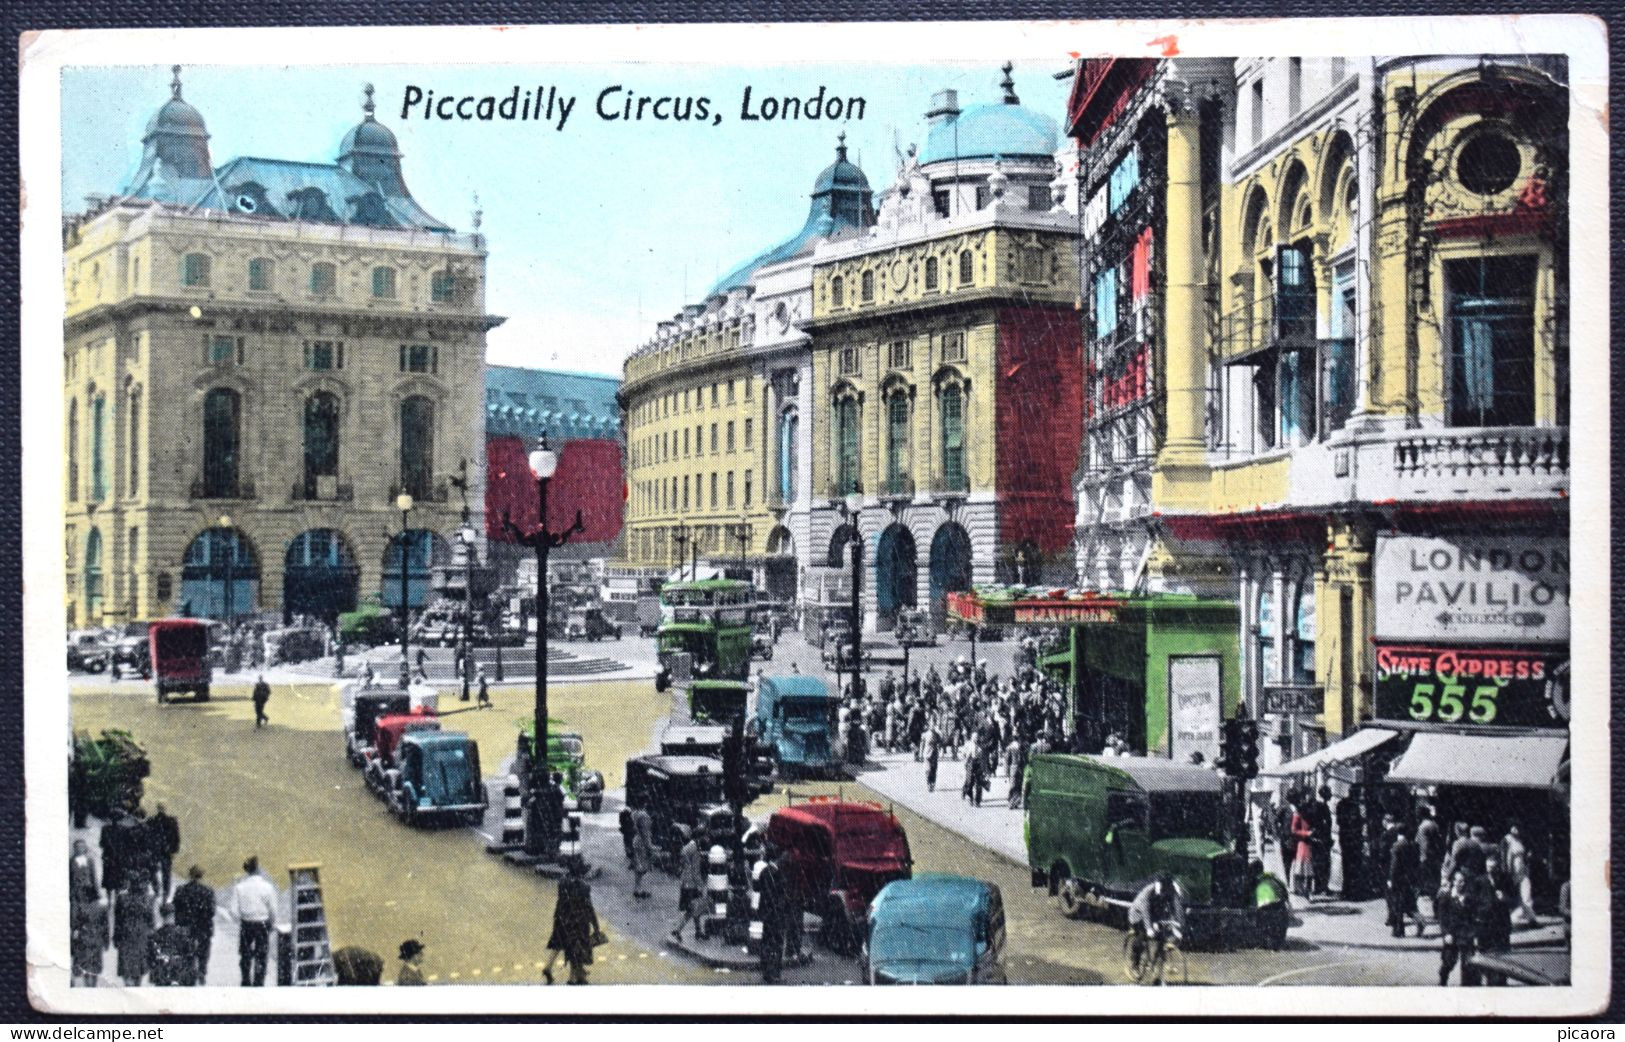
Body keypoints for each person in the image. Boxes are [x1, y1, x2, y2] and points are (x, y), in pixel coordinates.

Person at [545, 857, 601, 985]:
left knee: (564, 945)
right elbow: (589, 908)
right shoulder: (584, 887)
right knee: (577, 949)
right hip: (579, 923)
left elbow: (561, 901)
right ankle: (574, 978)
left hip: (562, 919)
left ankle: (577, 974)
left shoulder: (562, 882)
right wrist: (596, 926)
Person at [1126, 873, 1186, 978]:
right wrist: (1149, 928)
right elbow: (1145, 909)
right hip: (1138, 914)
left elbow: (1178, 909)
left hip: (1155, 914)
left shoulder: (1171, 890)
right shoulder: (1149, 891)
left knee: (1163, 935)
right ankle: (1134, 964)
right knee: (1142, 936)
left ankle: (1159, 963)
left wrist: (1179, 927)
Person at [233, 856, 278, 986]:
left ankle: (246, 980)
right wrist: (272, 923)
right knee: (261, 955)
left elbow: (233, 910)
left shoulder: (240, 887)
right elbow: (273, 909)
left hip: (246, 923)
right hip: (262, 923)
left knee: (245, 954)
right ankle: (259, 982)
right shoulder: (267, 887)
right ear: (258, 869)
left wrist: (240, 919)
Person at [1437, 868, 1484, 986]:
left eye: (1463, 881)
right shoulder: (1447, 897)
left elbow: (1473, 916)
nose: (1461, 884)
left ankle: (1466, 986)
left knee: (1468, 963)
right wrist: (1446, 933)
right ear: (1453, 881)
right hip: (1451, 934)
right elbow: (1442, 918)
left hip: (1465, 934)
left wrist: (1474, 932)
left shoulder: (1469, 898)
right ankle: (1443, 977)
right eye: (1458, 881)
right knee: (1448, 961)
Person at [172, 865, 215, 986]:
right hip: (203, 927)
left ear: (189, 875)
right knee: (203, 952)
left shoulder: (180, 890)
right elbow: (211, 912)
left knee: (185, 952)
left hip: (185, 926)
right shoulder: (208, 891)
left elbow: (176, 909)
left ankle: (187, 974)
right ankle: (202, 972)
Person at [754, 844, 787, 983]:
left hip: (766, 914)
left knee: (767, 942)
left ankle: (767, 971)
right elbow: (776, 896)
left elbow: (759, 890)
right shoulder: (777, 874)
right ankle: (775, 974)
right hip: (775, 914)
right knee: (777, 944)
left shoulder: (764, 872)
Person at [113, 877, 154, 986]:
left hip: (126, 934)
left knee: (126, 965)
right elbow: (151, 921)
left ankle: (128, 985)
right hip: (141, 936)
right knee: (140, 967)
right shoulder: (147, 899)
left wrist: (116, 938)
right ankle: (136, 987)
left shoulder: (122, 898)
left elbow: (117, 921)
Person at [1386, 828, 1423, 938]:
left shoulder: (1397, 846)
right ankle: (1420, 921)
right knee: (1409, 903)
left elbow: (1394, 866)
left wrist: (1391, 880)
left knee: (1397, 904)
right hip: (1410, 879)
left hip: (1399, 880)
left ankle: (1398, 930)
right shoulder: (1414, 845)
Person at [1500, 822, 1539, 925]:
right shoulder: (1506, 840)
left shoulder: (1521, 840)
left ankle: (1531, 919)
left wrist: (1528, 858)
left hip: (1523, 871)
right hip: (1511, 872)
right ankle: (1509, 919)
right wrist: (1506, 873)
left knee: (1526, 893)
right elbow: (1504, 858)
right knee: (1510, 897)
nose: (1517, 830)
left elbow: (1524, 856)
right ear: (1510, 828)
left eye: (1518, 827)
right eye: (1514, 827)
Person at [147, 904, 196, 986]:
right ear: (173, 915)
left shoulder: (156, 934)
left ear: (162, 916)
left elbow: (151, 956)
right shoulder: (182, 933)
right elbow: (189, 953)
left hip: (161, 974)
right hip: (178, 973)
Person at [669, 834, 705, 942]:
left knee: (695, 908)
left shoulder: (686, 848)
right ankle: (678, 930)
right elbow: (695, 870)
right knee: (692, 909)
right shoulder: (695, 851)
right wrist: (700, 885)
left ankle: (698, 931)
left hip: (685, 882)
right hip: (692, 884)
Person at [71, 895, 109, 987]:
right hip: (96, 940)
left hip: (84, 940)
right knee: (95, 966)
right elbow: (105, 926)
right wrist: (106, 942)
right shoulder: (102, 907)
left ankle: (88, 985)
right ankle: (93, 986)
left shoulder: (80, 907)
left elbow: (75, 925)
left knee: (85, 965)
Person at [1335, 787, 1365, 900]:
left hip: (1350, 838)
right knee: (1350, 865)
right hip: (1349, 838)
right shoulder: (1345, 804)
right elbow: (1340, 820)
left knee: (1351, 865)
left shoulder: (1347, 804)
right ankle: (1349, 891)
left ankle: (1350, 890)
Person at [146, 803, 180, 899]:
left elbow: (147, 836)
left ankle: (158, 890)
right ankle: (164, 893)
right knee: (165, 874)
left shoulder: (152, 821)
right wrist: (173, 850)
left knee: (153, 872)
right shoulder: (171, 821)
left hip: (155, 850)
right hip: (165, 851)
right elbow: (176, 837)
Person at [1307, 786, 1334, 897]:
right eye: (1329, 793)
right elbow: (1321, 823)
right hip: (1320, 839)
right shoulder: (1320, 806)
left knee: (1322, 863)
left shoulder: (1321, 806)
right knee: (1322, 863)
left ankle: (1321, 886)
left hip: (1322, 839)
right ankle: (1321, 887)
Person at [1288, 800, 1315, 899]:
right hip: (1302, 844)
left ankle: (1308, 891)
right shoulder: (1297, 816)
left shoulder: (1310, 816)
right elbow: (1294, 830)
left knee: (1310, 870)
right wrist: (1306, 833)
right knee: (1302, 869)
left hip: (1310, 844)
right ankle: (1302, 890)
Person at [629, 806, 654, 899]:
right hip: (642, 842)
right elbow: (645, 832)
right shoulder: (644, 815)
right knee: (641, 867)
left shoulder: (635, 813)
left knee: (638, 866)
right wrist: (649, 846)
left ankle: (637, 888)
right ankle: (638, 890)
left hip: (637, 840)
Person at [70, 838, 99, 909]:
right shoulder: (71, 861)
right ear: (74, 848)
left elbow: (93, 875)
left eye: (82, 847)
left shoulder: (89, 860)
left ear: (85, 848)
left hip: (88, 888)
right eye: (77, 847)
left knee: (87, 909)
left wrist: (96, 889)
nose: (79, 849)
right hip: (76, 889)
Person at [924, 728, 939, 793]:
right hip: (927, 754)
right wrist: (921, 754)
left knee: (934, 769)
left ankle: (932, 783)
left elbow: (940, 743)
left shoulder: (937, 734)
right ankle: (928, 783)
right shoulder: (925, 735)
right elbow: (922, 744)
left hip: (934, 754)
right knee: (928, 770)